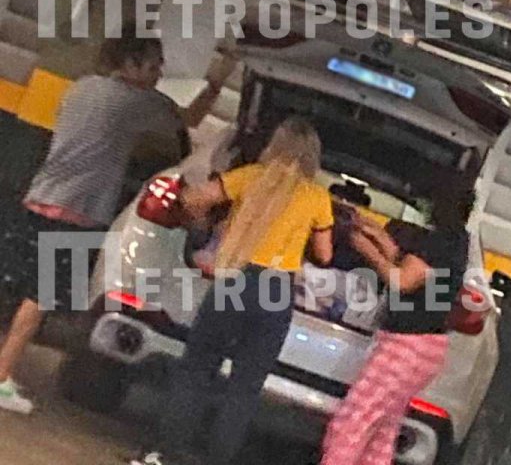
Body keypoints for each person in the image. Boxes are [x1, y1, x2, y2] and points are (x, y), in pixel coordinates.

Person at [0, 23, 198, 415]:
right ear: (131, 63)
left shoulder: (81, 87)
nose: (159, 73)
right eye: (154, 65)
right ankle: (3, 377)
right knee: (39, 300)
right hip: (78, 212)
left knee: (18, 292)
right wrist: (219, 80)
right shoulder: (138, 102)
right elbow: (188, 120)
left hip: (40, 196)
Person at [132, 117, 335, 465]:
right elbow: (325, 254)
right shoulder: (317, 198)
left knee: (197, 368)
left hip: (235, 279)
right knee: (246, 385)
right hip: (276, 289)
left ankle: (163, 454)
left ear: (275, 146)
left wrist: (206, 229)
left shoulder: (250, 177)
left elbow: (194, 199)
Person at [322, 182, 475, 465]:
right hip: (427, 348)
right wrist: (372, 231)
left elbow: (402, 280)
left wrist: (364, 247)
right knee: (382, 431)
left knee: (352, 421)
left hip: (406, 346)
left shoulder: (438, 241)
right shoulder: (457, 242)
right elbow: (407, 263)